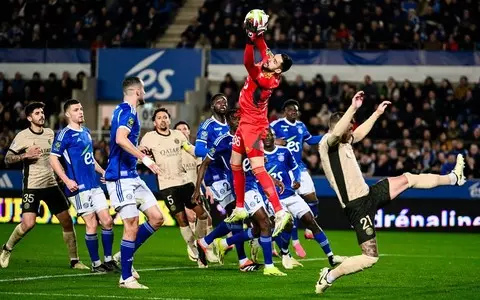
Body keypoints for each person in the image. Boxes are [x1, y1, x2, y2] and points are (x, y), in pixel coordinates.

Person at [315, 92, 466, 294]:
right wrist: (353, 108)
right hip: (357, 207)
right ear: (338, 124)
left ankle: (454, 178)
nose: (352, 128)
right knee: (370, 257)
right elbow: (337, 133)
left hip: (369, 194)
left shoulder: (346, 140)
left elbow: (359, 134)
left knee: (409, 178)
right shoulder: (327, 143)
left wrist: (376, 113)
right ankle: (329, 276)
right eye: (349, 124)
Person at [227, 13, 294, 238]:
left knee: (258, 169)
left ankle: (279, 211)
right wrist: (260, 33)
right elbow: (264, 47)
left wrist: (248, 39)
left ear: (277, 70)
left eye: (275, 61)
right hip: (247, 122)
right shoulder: (269, 65)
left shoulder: (265, 78)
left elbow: (247, 62)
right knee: (235, 163)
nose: (270, 58)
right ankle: (238, 207)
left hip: (253, 126)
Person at [0, 102, 88, 270]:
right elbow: (8, 159)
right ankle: (6, 249)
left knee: (67, 221)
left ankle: (74, 260)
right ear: (29, 117)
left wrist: (60, 173)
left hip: (51, 184)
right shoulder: (23, 136)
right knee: (28, 223)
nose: (41, 115)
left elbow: (56, 156)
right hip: (32, 185)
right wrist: (25, 155)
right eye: (37, 113)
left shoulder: (49, 133)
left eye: (42, 112)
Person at [104, 77, 164, 289]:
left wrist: (138, 149)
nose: (145, 93)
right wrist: (144, 158)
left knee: (157, 218)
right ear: (137, 91)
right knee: (131, 224)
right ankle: (126, 278)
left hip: (132, 176)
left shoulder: (125, 111)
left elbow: (122, 141)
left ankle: (122, 256)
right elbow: (120, 139)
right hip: (121, 178)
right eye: (144, 90)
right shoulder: (127, 111)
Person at [50, 99, 118, 273]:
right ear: (67, 114)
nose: (80, 112)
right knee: (92, 224)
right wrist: (66, 180)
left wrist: (103, 172)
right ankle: (96, 264)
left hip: (93, 185)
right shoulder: (64, 134)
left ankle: (109, 260)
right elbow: (53, 158)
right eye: (76, 110)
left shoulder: (86, 132)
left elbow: (90, 158)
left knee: (108, 221)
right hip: (77, 187)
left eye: (81, 108)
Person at [262, 128, 346, 269]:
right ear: (261, 139)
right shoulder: (257, 157)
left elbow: (295, 167)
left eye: (271, 135)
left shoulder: (284, 151)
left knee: (311, 221)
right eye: (265, 136)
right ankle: (285, 253)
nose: (268, 137)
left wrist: (297, 180)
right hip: (274, 199)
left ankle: (331, 256)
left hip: (291, 195)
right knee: (286, 223)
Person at [193, 109, 262, 272]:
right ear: (229, 121)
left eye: (240, 118)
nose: (238, 121)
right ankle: (242, 260)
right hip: (225, 182)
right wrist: (198, 189)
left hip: (240, 182)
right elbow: (204, 164)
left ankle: (205, 242)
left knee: (238, 217)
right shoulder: (222, 141)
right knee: (237, 217)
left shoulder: (247, 137)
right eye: (234, 118)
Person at [140, 108, 210, 268]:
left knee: (202, 214)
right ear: (154, 122)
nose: (163, 120)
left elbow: (190, 149)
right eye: (159, 118)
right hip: (167, 185)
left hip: (184, 182)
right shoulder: (149, 138)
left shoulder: (178, 136)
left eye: (165, 117)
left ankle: (201, 243)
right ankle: (195, 250)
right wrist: (145, 160)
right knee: (182, 219)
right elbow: (139, 154)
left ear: (169, 121)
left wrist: (203, 152)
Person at [270, 99, 323, 257]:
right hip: (283, 169)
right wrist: (275, 141)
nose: (294, 112)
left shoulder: (300, 126)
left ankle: (308, 230)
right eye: (291, 110)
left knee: (313, 200)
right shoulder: (276, 125)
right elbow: (262, 139)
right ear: (285, 111)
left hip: (298, 167)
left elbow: (310, 140)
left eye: (296, 110)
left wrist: (327, 137)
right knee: (289, 209)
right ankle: (293, 242)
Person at [174, 121, 217, 263]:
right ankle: (194, 247)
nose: (182, 131)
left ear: (189, 132)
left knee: (207, 219)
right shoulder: (172, 153)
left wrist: (208, 187)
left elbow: (201, 170)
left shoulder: (194, 151)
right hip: (181, 191)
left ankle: (206, 248)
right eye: (178, 129)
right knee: (191, 218)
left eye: (184, 128)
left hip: (197, 190)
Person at [195, 94, 229, 206]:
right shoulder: (207, 125)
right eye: (219, 102)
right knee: (232, 208)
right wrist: (219, 152)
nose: (223, 104)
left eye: (225, 102)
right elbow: (199, 150)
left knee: (237, 213)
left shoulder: (231, 125)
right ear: (212, 106)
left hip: (231, 172)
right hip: (215, 174)